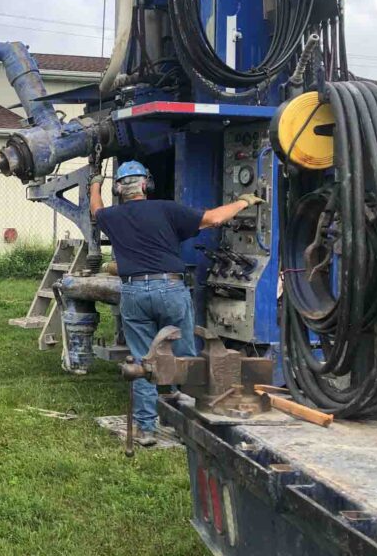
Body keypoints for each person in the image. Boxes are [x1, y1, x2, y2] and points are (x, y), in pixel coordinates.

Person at [89, 160, 262, 446]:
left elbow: (95, 209)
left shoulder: (111, 216)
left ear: (119, 189)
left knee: (143, 361)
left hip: (133, 292)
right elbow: (214, 219)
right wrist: (243, 201)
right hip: (170, 289)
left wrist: (95, 184)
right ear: (146, 184)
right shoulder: (167, 209)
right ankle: (185, 426)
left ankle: (146, 429)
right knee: (183, 358)